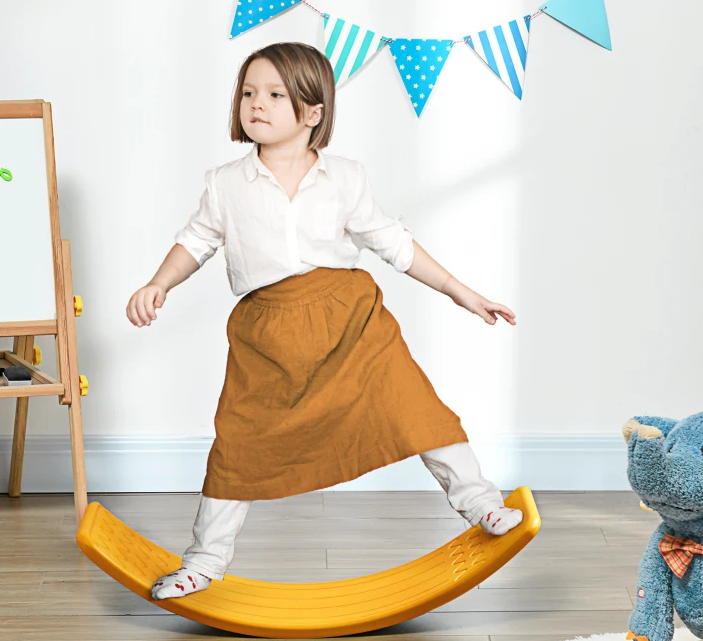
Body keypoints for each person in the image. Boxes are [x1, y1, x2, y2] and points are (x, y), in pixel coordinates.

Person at [125, 42, 522, 601]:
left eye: (274, 94)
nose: (255, 104)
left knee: (414, 406)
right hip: (267, 334)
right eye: (248, 92)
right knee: (238, 443)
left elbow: (392, 241)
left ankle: (480, 502)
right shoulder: (226, 183)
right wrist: (158, 283)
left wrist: (461, 292)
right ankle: (205, 560)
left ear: (312, 112)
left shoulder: (344, 177)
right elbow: (196, 241)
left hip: (349, 322)